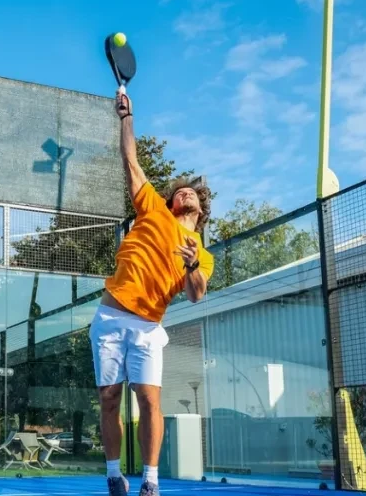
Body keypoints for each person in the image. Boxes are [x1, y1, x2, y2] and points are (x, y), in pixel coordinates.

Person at [94, 88, 214, 496]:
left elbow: (197, 294)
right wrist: (126, 117)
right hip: (110, 317)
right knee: (110, 399)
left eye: (192, 193)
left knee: (148, 400)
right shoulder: (153, 210)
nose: (185, 192)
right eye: (180, 190)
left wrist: (191, 263)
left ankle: (150, 481)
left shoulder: (202, 253)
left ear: (201, 209)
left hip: (148, 327)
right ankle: (114, 474)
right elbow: (131, 161)